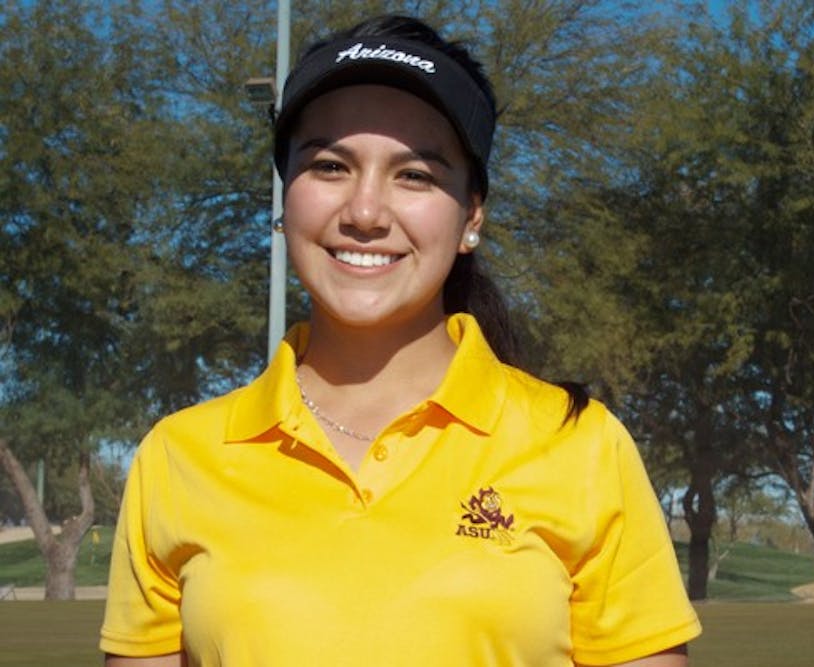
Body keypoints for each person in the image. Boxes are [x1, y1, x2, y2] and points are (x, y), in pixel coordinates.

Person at [100, 14, 701, 667]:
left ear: (472, 214)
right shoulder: (177, 458)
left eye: (414, 174)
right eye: (329, 166)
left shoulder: (581, 446)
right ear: (284, 199)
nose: (363, 212)